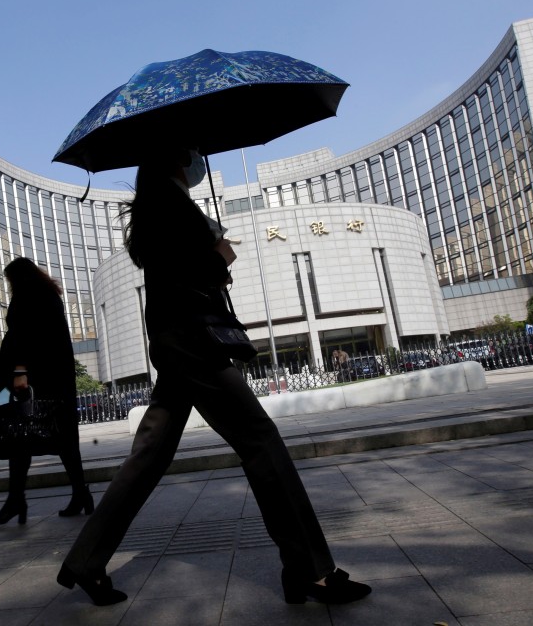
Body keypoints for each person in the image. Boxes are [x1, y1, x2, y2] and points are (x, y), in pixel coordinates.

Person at [56, 149, 371, 606]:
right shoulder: (170, 202)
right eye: (194, 151)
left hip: (176, 339)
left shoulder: (155, 202)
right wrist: (220, 256)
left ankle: (85, 562)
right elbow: (192, 270)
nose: (199, 158)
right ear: (178, 159)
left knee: (149, 455)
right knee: (260, 440)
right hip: (192, 340)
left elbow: (169, 268)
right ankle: (309, 570)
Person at [0, 257, 93, 524]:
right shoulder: (49, 295)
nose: (9, 285)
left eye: (9, 280)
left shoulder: (29, 296)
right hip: (52, 380)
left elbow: (23, 337)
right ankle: (79, 493)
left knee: (15, 436)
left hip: (25, 381)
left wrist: (19, 372)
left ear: (18, 278)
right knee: (60, 437)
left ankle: (16, 501)